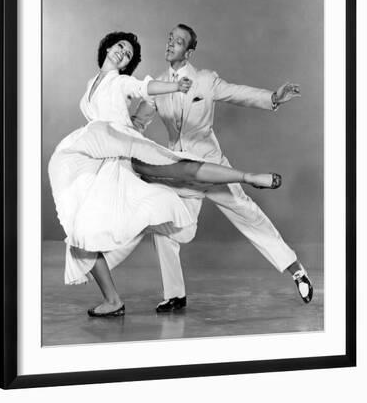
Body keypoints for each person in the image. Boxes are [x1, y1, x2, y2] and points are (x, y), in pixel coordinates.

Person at [48, 31, 283, 317]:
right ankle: (113, 300)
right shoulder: (90, 85)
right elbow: (136, 115)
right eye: (120, 47)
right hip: (99, 156)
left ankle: (248, 178)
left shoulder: (122, 81)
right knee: (79, 234)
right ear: (108, 47)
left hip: (122, 151)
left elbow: (145, 88)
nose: (123, 53)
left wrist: (173, 88)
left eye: (129, 54)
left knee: (179, 165)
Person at [131, 24, 313, 312]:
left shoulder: (205, 80)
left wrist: (273, 98)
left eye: (178, 42)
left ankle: (297, 271)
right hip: (180, 173)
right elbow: (138, 124)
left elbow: (238, 93)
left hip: (213, 168)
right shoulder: (158, 86)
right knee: (164, 227)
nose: (170, 44)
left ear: (189, 51)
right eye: (170, 39)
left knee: (250, 216)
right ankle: (175, 295)